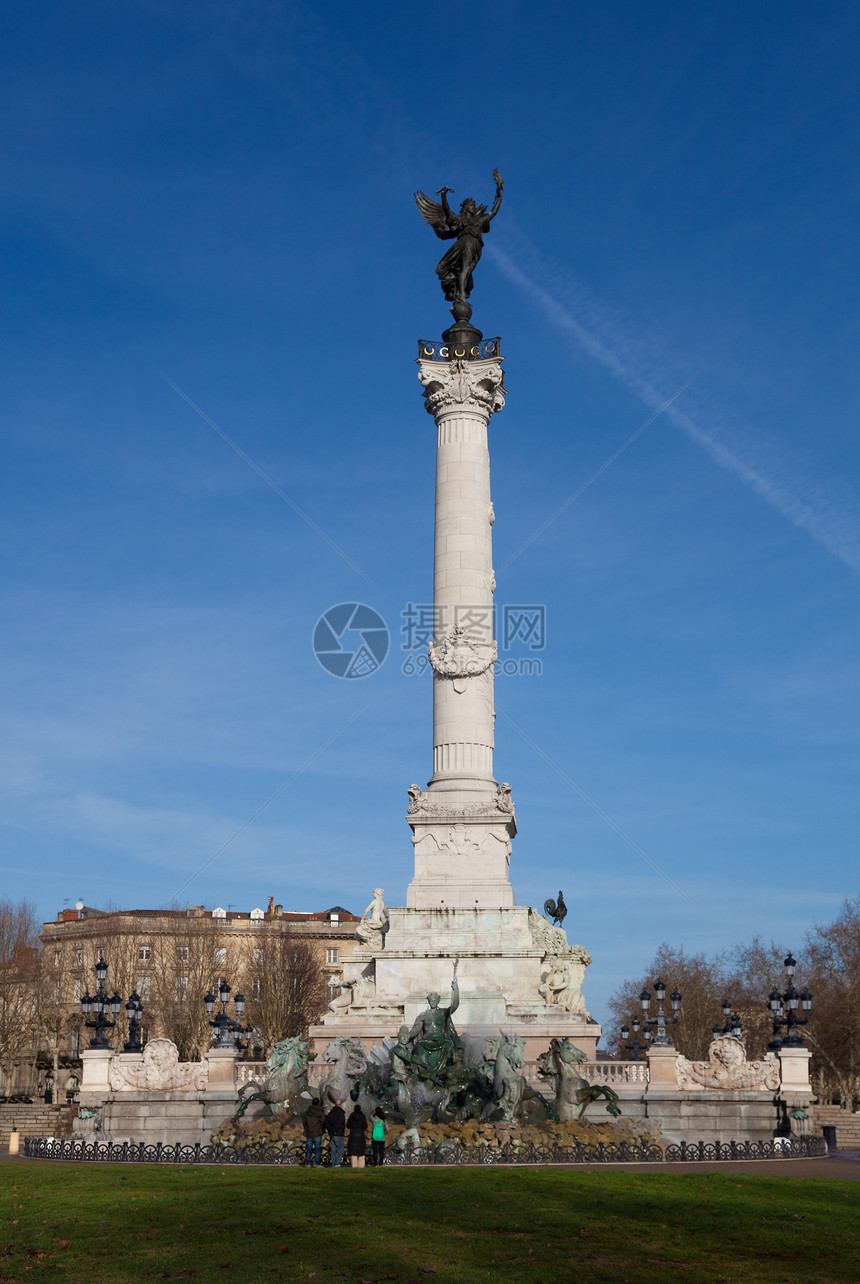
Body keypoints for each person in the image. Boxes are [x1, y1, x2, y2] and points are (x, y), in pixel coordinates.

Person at [302, 1096, 326, 1168]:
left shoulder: (307, 1112)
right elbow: (323, 1121)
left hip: (309, 1132)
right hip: (317, 1132)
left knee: (309, 1149)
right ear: (318, 1103)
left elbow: (304, 1122)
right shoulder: (320, 1112)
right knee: (317, 1149)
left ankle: (308, 1163)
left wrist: (306, 1129)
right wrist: (322, 1129)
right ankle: (317, 1163)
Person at [325, 1096, 346, 1169]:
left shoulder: (330, 1113)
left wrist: (330, 1130)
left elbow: (326, 1122)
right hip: (338, 1133)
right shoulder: (341, 1113)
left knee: (333, 1150)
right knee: (340, 1149)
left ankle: (333, 1164)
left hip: (332, 1134)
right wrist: (334, 1130)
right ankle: (337, 1163)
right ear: (340, 1105)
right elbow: (340, 1123)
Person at [346, 1103, 367, 1169]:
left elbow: (348, 1125)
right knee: (361, 1151)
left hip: (353, 1134)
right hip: (360, 1134)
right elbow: (365, 1126)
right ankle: (361, 1165)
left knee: (353, 1151)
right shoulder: (362, 1116)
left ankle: (354, 1166)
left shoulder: (351, 1115)